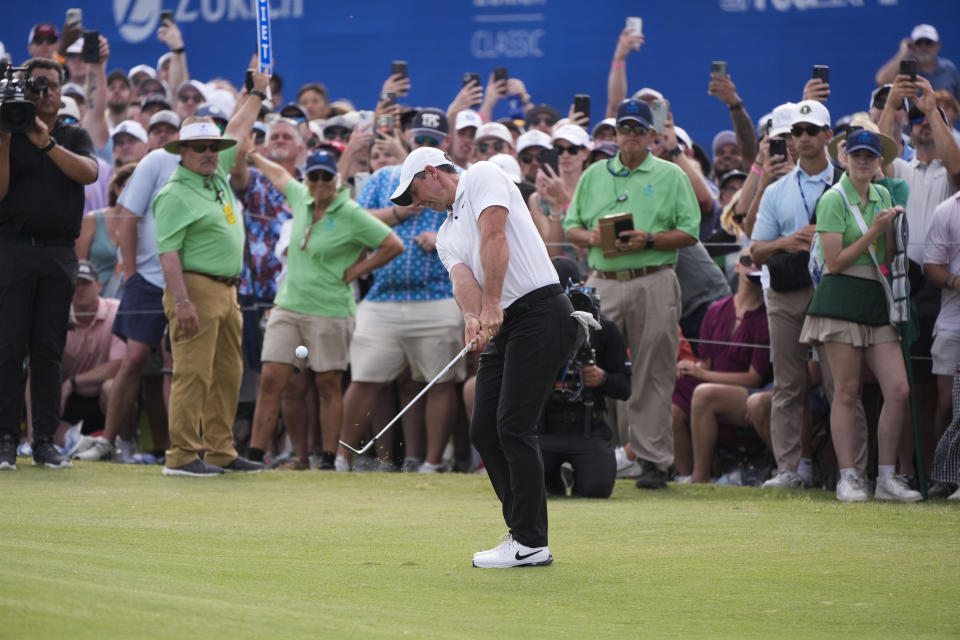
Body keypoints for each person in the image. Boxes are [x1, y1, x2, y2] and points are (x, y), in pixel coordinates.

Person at [391, 146, 576, 568]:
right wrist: (474, 316)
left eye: (415, 191)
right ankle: (522, 535)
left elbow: (495, 236)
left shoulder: (483, 176)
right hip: (506, 323)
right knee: (484, 430)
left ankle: (530, 542)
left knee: (513, 425)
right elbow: (462, 278)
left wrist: (491, 304)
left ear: (433, 172)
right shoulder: (445, 233)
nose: (416, 203)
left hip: (542, 311)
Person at [564, 99, 699, 490]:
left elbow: (690, 230)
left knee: (653, 368)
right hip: (604, 277)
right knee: (581, 359)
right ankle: (577, 450)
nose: (631, 136)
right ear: (616, 133)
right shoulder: (593, 174)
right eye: (625, 129)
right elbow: (572, 225)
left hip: (653, 274)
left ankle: (654, 460)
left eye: (639, 129)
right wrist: (591, 237)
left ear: (652, 136)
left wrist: (650, 238)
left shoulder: (671, 175)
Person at [242, 145, 403, 470]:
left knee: (327, 383)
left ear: (336, 179)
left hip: (330, 309)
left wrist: (356, 272)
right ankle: (255, 455)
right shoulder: (301, 196)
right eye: (313, 176)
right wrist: (254, 155)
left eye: (325, 177)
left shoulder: (351, 213)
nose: (318, 183)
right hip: (288, 304)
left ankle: (329, 459)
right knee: (271, 378)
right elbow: (279, 175)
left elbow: (392, 244)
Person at [153, 72, 268, 477]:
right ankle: (182, 456)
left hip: (228, 290)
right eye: (199, 147)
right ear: (182, 151)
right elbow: (167, 253)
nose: (208, 152)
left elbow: (236, 129)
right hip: (195, 288)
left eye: (212, 147)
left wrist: (255, 93)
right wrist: (182, 301)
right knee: (192, 374)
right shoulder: (174, 193)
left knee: (227, 374)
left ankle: (220, 450)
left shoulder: (214, 172)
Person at [339, 109, 465, 473]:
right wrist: (400, 214)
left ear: (445, 146)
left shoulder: (459, 183)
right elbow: (355, 223)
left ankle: (429, 462)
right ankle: (341, 458)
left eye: (432, 140)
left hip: (438, 294)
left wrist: (440, 237)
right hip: (383, 297)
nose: (424, 145)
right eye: (419, 138)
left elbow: (469, 230)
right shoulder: (382, 178)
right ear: (408, 138)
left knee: (439, 382)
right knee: (364, 379)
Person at [799, 129, 920, 502]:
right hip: (839, 297)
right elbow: (834, 261)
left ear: (879, 161)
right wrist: (876, 231)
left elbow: (884, 259)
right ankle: (849, 477)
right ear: (845, 158)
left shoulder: (883, 194)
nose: (864, 161)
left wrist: (893, 231)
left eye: (870, 156)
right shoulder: (833, 199)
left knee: (898, 389)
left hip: (875, 297)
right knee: (847, 391)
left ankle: (886, 477)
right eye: (857, 155)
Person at [0, 56, 99, 470]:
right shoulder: (7, 131)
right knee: (7, 347)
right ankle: (5, 439)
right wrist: (6, 137)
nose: (45, 92)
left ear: (62, 93)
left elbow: (89, 174)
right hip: (12, 246)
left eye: (52, 85)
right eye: (36, 84)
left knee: (48, 349)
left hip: (60, 250)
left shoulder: (72, 134)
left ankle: (43, 440)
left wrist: (46, 143)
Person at [749, 100, 844, 490]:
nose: (802, 139)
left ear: (827, 136)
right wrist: (789, 242)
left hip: (835, 289)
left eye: (810, 131)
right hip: (787, 292)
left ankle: (848, 472)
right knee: (788, 383)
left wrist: (824, 238)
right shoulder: (776, 190)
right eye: (796, 133)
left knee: (841, 385)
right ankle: (789, 470)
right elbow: (755, 250)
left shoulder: (845, 181)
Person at [672, 251, 772, 483]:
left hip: (744, 395)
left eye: (760, 262)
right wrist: (691, 367)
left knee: (703, 392)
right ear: (737, 266)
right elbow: (705, 361)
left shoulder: (766, 318)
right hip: (708, 384)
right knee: (672, 393)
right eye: (748, 260)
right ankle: (684, 475)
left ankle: (700, 477)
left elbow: (753, 378)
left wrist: (703, 373)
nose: (753, 266)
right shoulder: (716, 309)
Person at [540, 257, 631, 498]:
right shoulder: (532, 327)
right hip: (544, 427)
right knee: (530, 487)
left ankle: (578, 473)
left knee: (595, 490)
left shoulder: (603, 328)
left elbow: (625, 387)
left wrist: (602, 379)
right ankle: (552, 480)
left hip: (587, 425)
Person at [49, 261, 125, 444]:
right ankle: (31, 439)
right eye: (76, 284)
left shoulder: (115, 310)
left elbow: (119, 365)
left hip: (100, 396)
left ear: (98, 286)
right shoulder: (55, 315)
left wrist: (72, 382)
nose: (79, 289)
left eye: (85, 283)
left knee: (113, 387)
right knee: (59, 441)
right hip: (70, 400)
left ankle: (123, 443)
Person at [75, 163, 136, 297]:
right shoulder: (92, 220)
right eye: (130, 186)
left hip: (127, 300)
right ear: (117, 189)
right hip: (93, 301)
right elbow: (78, 265)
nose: (135, 192)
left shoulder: (143, 224)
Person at [875, 24, 960, 102]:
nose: (923, 47)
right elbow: (882, 81)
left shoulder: (949, 69)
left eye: (928, 42)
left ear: (937, 46)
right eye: (919, 43)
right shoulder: (906, 69)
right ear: (913, 46)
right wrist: (902, 53)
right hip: (912, 118)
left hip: (944, 118)